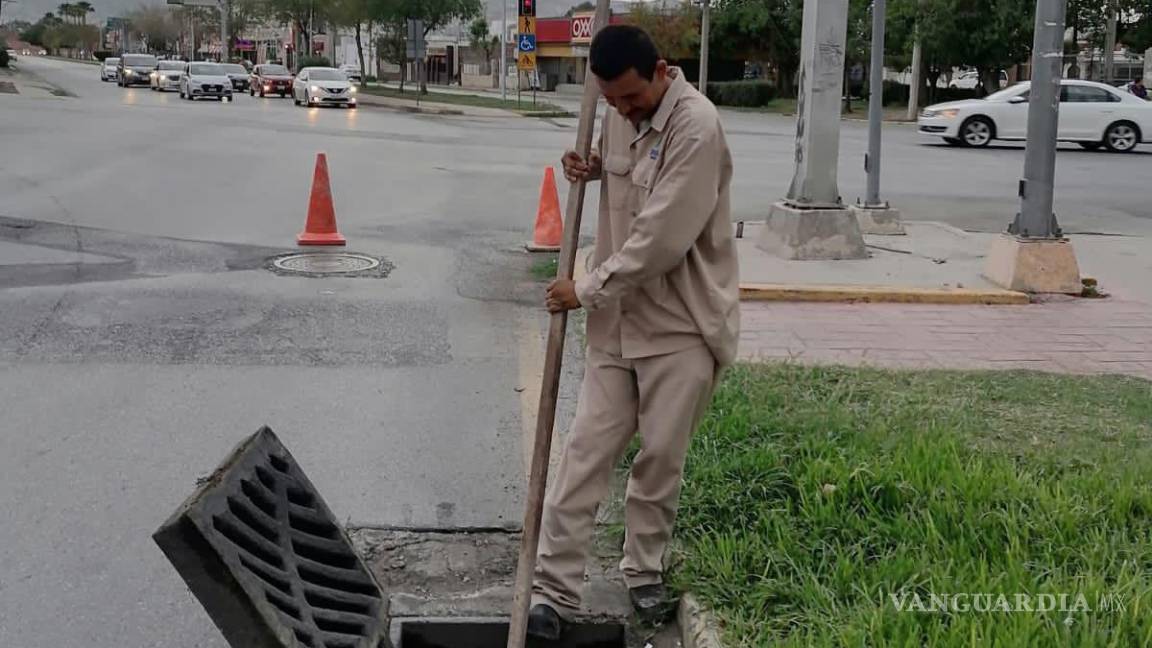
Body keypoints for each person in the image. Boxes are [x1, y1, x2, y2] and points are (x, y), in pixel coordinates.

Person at [528, 24, 740, 641]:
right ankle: (552, 591)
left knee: (658, 460)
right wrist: (592, 167)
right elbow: (626, 174)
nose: (622, 110)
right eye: (611, 101)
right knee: (585, 452)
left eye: (630, 99)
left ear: (662, 71)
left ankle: (643, 572)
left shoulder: (696, 127)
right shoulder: (615, 108)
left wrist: (584, 287)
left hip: (681, 323)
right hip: (618, 322)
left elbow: (660, 241)